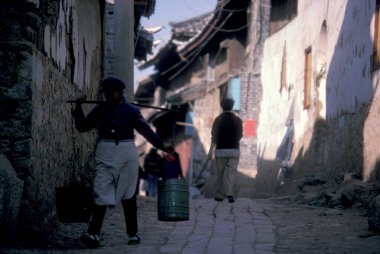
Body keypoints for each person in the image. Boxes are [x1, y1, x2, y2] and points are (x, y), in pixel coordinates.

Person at [72, 77, 174, 248]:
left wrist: (162, 145)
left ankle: (132, 233)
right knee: (101, 190)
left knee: (128, 193)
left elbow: (146, 131)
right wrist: (78, 108)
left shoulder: (131, 111)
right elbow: (83, 127)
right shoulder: (100, 109)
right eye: (105, 94)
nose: (107, 97)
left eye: (111, 94)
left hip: (127, 152)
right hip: (105, 151)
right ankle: (93, 234)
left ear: (119, 93)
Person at [211, 97, 243, 203]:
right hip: (234, 151)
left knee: (220, 174)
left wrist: (211, 150)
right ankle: (230, 194)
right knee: (231, 173)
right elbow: (240, 135)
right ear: (232, 107)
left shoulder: (218, 119)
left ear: (221, 106)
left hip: (220, 151)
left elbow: (214, 136)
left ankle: (220, 195)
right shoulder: (238, 120)